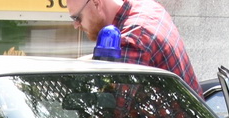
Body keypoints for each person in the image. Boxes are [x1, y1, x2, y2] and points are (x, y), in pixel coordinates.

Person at [67, 0, 199, 91]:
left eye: (77, 18)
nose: (76, 25)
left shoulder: (132, 39)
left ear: (96, 3)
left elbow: (112, 115)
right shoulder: (146, 7)